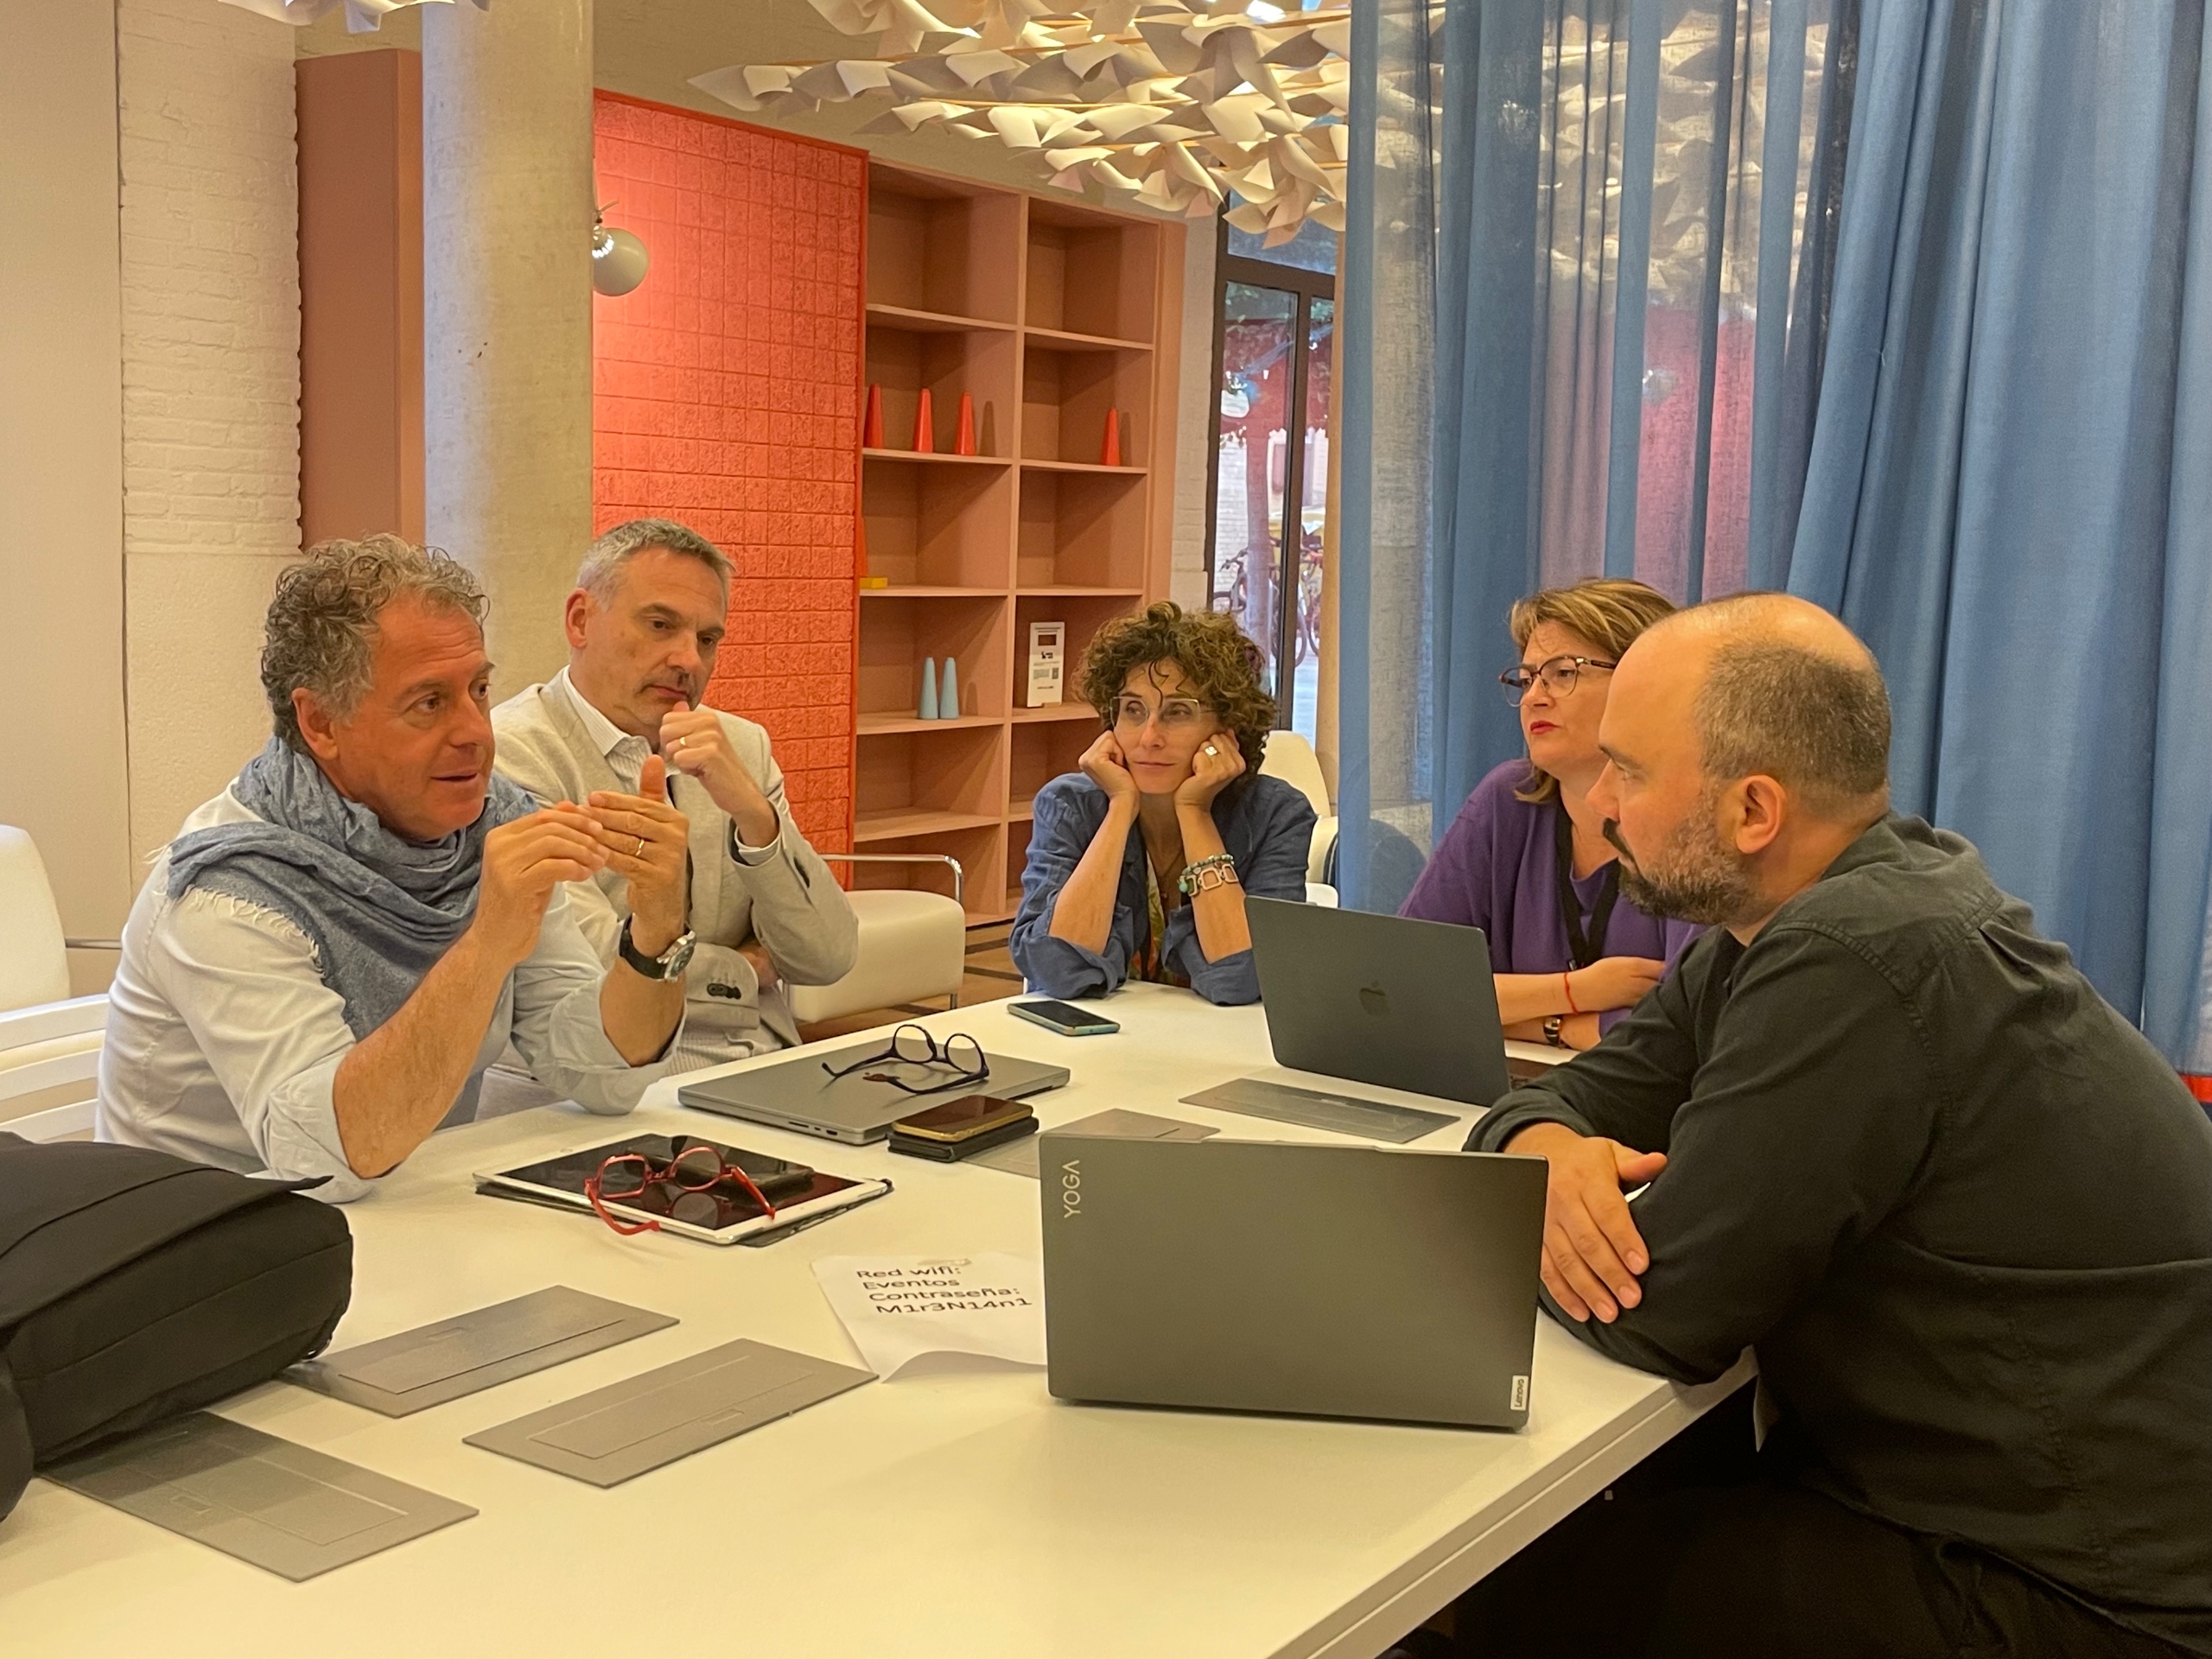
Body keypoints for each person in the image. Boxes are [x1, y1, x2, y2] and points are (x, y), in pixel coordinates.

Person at [1456, 594, 2212, 1658]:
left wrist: (1520, 1206)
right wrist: (1536, 1150)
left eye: (1628, 769)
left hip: (2083, 1588)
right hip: (2022, 1505)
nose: (1604, 803)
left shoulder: (1856, 954)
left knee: (1525, 1588)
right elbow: (1586, 1095)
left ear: (1752, 811)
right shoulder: (1809, 911)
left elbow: (1665, 1309)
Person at [98, 537, 692, 1202]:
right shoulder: (228, 892)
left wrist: (657, 927)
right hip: (200, 1237)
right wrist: (485, 946)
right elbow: (326, 1163)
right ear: (322, 723)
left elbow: (602, 1078)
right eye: (428, 703)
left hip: (402, 1213)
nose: (477, 732)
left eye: (478, 689)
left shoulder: (493, 825)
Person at [492, 519, 857, 1066]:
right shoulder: (513, 755)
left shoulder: (740, 746)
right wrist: (747, 968)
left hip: (764, 1064)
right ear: (580, 620)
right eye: (660, 625)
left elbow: (828, 957)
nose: (689, 660)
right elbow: (594, 968)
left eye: (707, 639)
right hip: (609, 1080)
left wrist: (755, 816)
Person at [1400, 578, 1699, 1049]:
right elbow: (1405, 986)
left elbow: (1689, 1028)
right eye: (1528, 679)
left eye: (1563, 673)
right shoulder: (1507, 799)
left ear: (1644, 681)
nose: (1534, 697)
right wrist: (1577, 992)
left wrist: (1516, 1017)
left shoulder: (1694, 819)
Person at [1009, 601, 1315, 1006]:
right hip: (1105, 1039)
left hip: (1219, 1041)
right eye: (1133, 710)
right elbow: (1056, 969)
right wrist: (1120, 808)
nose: (1149, 737)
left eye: (1179, 712)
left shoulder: (1277, 815)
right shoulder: (1069, 805)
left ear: (1228, 727)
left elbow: (1241, 979)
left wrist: (1195, 813)